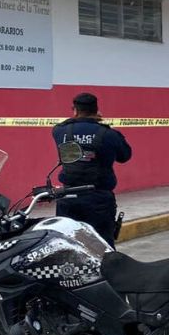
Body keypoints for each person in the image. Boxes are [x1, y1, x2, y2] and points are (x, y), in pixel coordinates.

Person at [51, 93, 132, 246]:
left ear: (74, 110)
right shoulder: (108, 134)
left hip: (68, 197)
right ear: (97, 110)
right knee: (102, 245)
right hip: (98, 199)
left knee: (67, 245)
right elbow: (125, 156)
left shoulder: (59, 131)